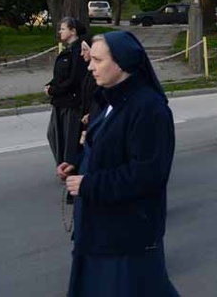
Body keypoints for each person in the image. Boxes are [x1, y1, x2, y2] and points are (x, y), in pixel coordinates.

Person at [58, 30, 178, 296]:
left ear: (122, 63)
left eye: (98, 61)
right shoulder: (107, 99)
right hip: (98, 229)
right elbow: (105, 150)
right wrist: (77, 165)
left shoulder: (149, 108)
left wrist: (89, 184)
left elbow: (147, 174)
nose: (90, 66)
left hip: (127, 235)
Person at [46, 17, 89, 166]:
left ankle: (71, 167)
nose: (60, 31)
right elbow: (60, 76)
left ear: (73, 31)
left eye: (63, 29)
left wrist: (53, 90)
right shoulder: (67, 50)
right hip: (60, 101)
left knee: (70, 139)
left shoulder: (79, 51)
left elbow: (74, 79)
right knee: (54, 135)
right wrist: (50, 85)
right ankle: (64, 165)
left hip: (71, 103)